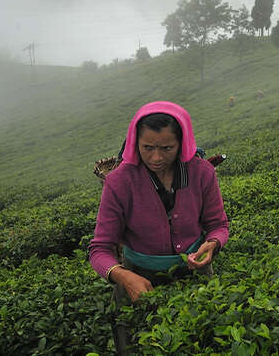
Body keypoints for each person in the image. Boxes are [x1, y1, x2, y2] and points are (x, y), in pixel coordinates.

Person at [89, 101, 229, 353]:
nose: (156, 157)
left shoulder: (202, 173)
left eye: (167, 148)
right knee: (131, 343)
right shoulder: (119, 182)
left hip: (194, 272)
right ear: (135, 144)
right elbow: (99, 249)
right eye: (147, 148)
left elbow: (218, 225)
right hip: (137, 277)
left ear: (182, 144)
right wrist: (124, 277)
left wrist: (213, 243)